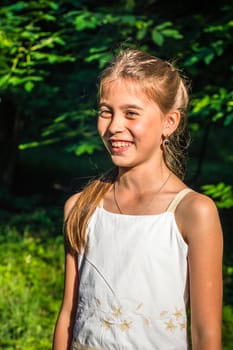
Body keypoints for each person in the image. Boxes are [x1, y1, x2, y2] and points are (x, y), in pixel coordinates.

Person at [53, 48, 223, 350]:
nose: (115, 126)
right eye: (106, 111)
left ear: (169, 122)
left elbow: (206, 335)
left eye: (131, 113)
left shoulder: (193, 212)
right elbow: (68, 314)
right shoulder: (81, 208)